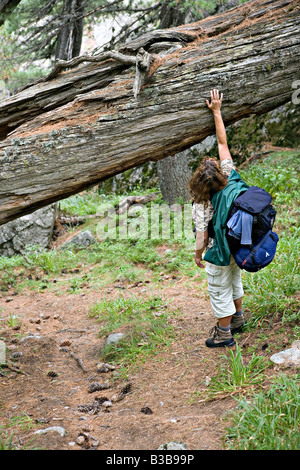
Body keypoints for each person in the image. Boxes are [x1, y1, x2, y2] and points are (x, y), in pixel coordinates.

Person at [190, 89, 247, 348]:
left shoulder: (202, 202)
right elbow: (222, 143)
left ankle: (224, 334)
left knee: (218, 289)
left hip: (220, 250)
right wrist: (217, 111)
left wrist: (198, 255)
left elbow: (202, 235)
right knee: (235, 279)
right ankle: (238, 319)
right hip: (239, 243)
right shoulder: (229, 174)